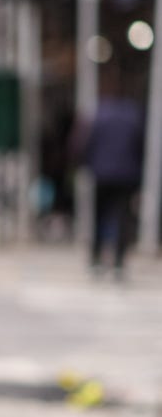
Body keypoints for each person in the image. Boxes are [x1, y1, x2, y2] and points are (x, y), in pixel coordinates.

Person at [79, 77, 146, 276]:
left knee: (98, 216)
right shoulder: (134, 115)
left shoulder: (99, 114)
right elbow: (140, 145)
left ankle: (97, 258)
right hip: (127, 174)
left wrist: (86, 164)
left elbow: (85, 142)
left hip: (101, 173)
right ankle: (118, 262)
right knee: (123, 218)